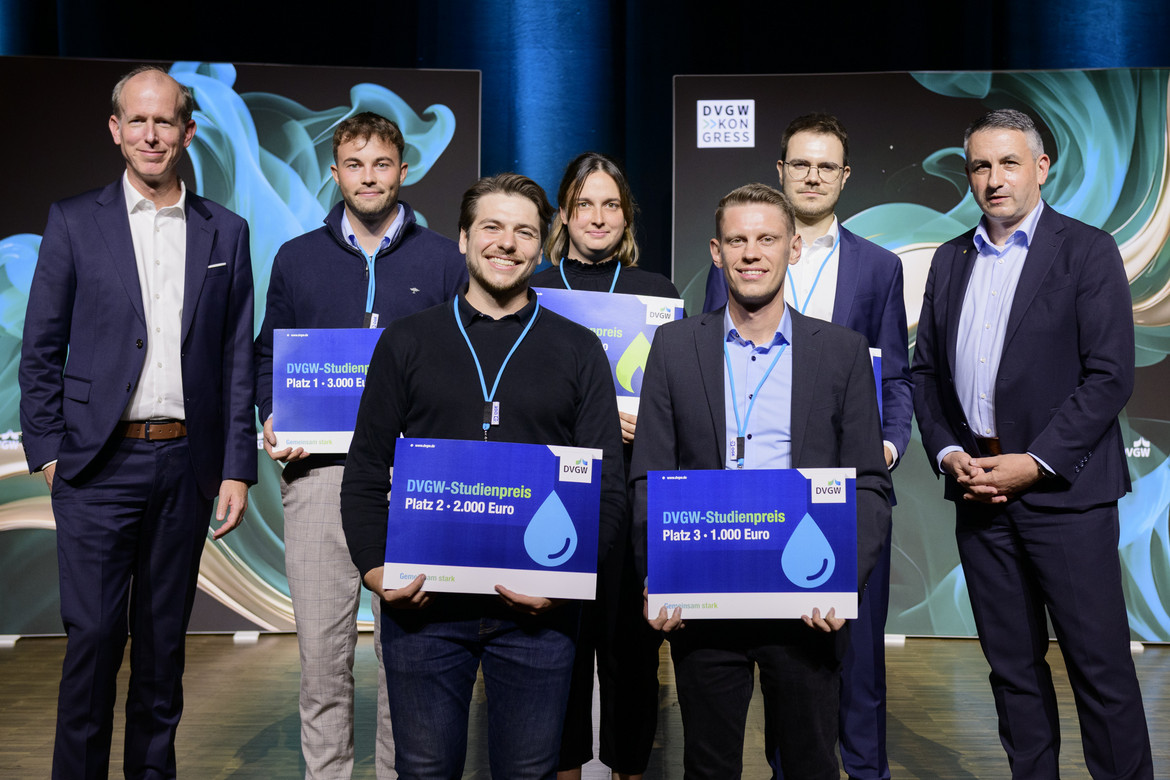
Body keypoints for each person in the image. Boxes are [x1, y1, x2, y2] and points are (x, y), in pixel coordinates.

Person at [340, 173, 626, 779]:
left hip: (539, 613)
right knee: (423, 770)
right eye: (492, 228)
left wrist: (566, 582)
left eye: (525, 231)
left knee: (527, 772)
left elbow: (608, 486)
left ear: (542, 242)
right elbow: (366, 467)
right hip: (423, 609)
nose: (508, 243)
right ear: (464, 239)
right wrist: (373, 568)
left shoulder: (579, 350)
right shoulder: (406, 340)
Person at [18, 65, 255, 779]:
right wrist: (52, 455)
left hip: (185, 466)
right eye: (138, 121)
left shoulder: (226, 232)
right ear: (117, 130)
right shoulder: (73, 221)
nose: (153, 135)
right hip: (95, 468)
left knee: (163, 648)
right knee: (92, 642)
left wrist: (237, 466)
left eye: (166, 121)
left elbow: (237, 355)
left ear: (188, 130)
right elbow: (40, 350)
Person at [911, 108, 1153, 779]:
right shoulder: (950, 258)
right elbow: (924, 373)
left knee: (1099, 670)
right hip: (977, 492)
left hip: (1065, 498)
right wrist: (947, 453)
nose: (994, 179)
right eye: (981, 166)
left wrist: (1035, 462)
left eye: (1009, 163)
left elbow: (1110, 377)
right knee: (1011, 670)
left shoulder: (1086, 250)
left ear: (1041, 168)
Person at [631, 183, 892, 780]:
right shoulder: (675, 347)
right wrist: (657, 573)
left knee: (808, 765)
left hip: (805, 602)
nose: (752, 253)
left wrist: (843, 583)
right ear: (717, 252)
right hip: (703, 601)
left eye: (767, 239)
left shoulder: (842, 352)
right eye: (738, 240)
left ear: (793, 248)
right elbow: (648, 475)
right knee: (708, 766)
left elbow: (870, 487)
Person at [255, 112, 466, 780]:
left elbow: (463, 362)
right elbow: (270, 356)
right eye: (354, 163)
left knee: (409, 658)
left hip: (413, 482)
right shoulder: (296, 258)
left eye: (381, 164)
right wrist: (272, 414)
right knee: (322, 660)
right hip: (317, 479)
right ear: (335, 170)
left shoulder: (443, 261)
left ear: (404, 171)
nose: (368, 177)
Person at [704, 113, 910, 780]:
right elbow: (713, 354)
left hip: (844, 487)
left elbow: (897, 371)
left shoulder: (879, 268)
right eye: (801, 164)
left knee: (858, 660)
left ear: (845, 177)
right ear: (781, 171)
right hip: (757, 491)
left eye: (827, 166)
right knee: (781, 659)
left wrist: (889, 443)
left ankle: (868, 771)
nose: (813, 176)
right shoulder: (747, 251)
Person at [531, 152, 679, 780]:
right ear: (564, 212)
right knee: (557, 646)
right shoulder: (533, 287)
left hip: (630, 487)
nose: (597, 216)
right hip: (551, 493)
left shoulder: (659, 293)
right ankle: (562, 768)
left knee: (631, 650)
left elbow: (678, 400)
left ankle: (629, 769)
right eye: (584, 203)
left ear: (627, 216)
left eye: (610, 205)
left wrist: (649, 423)